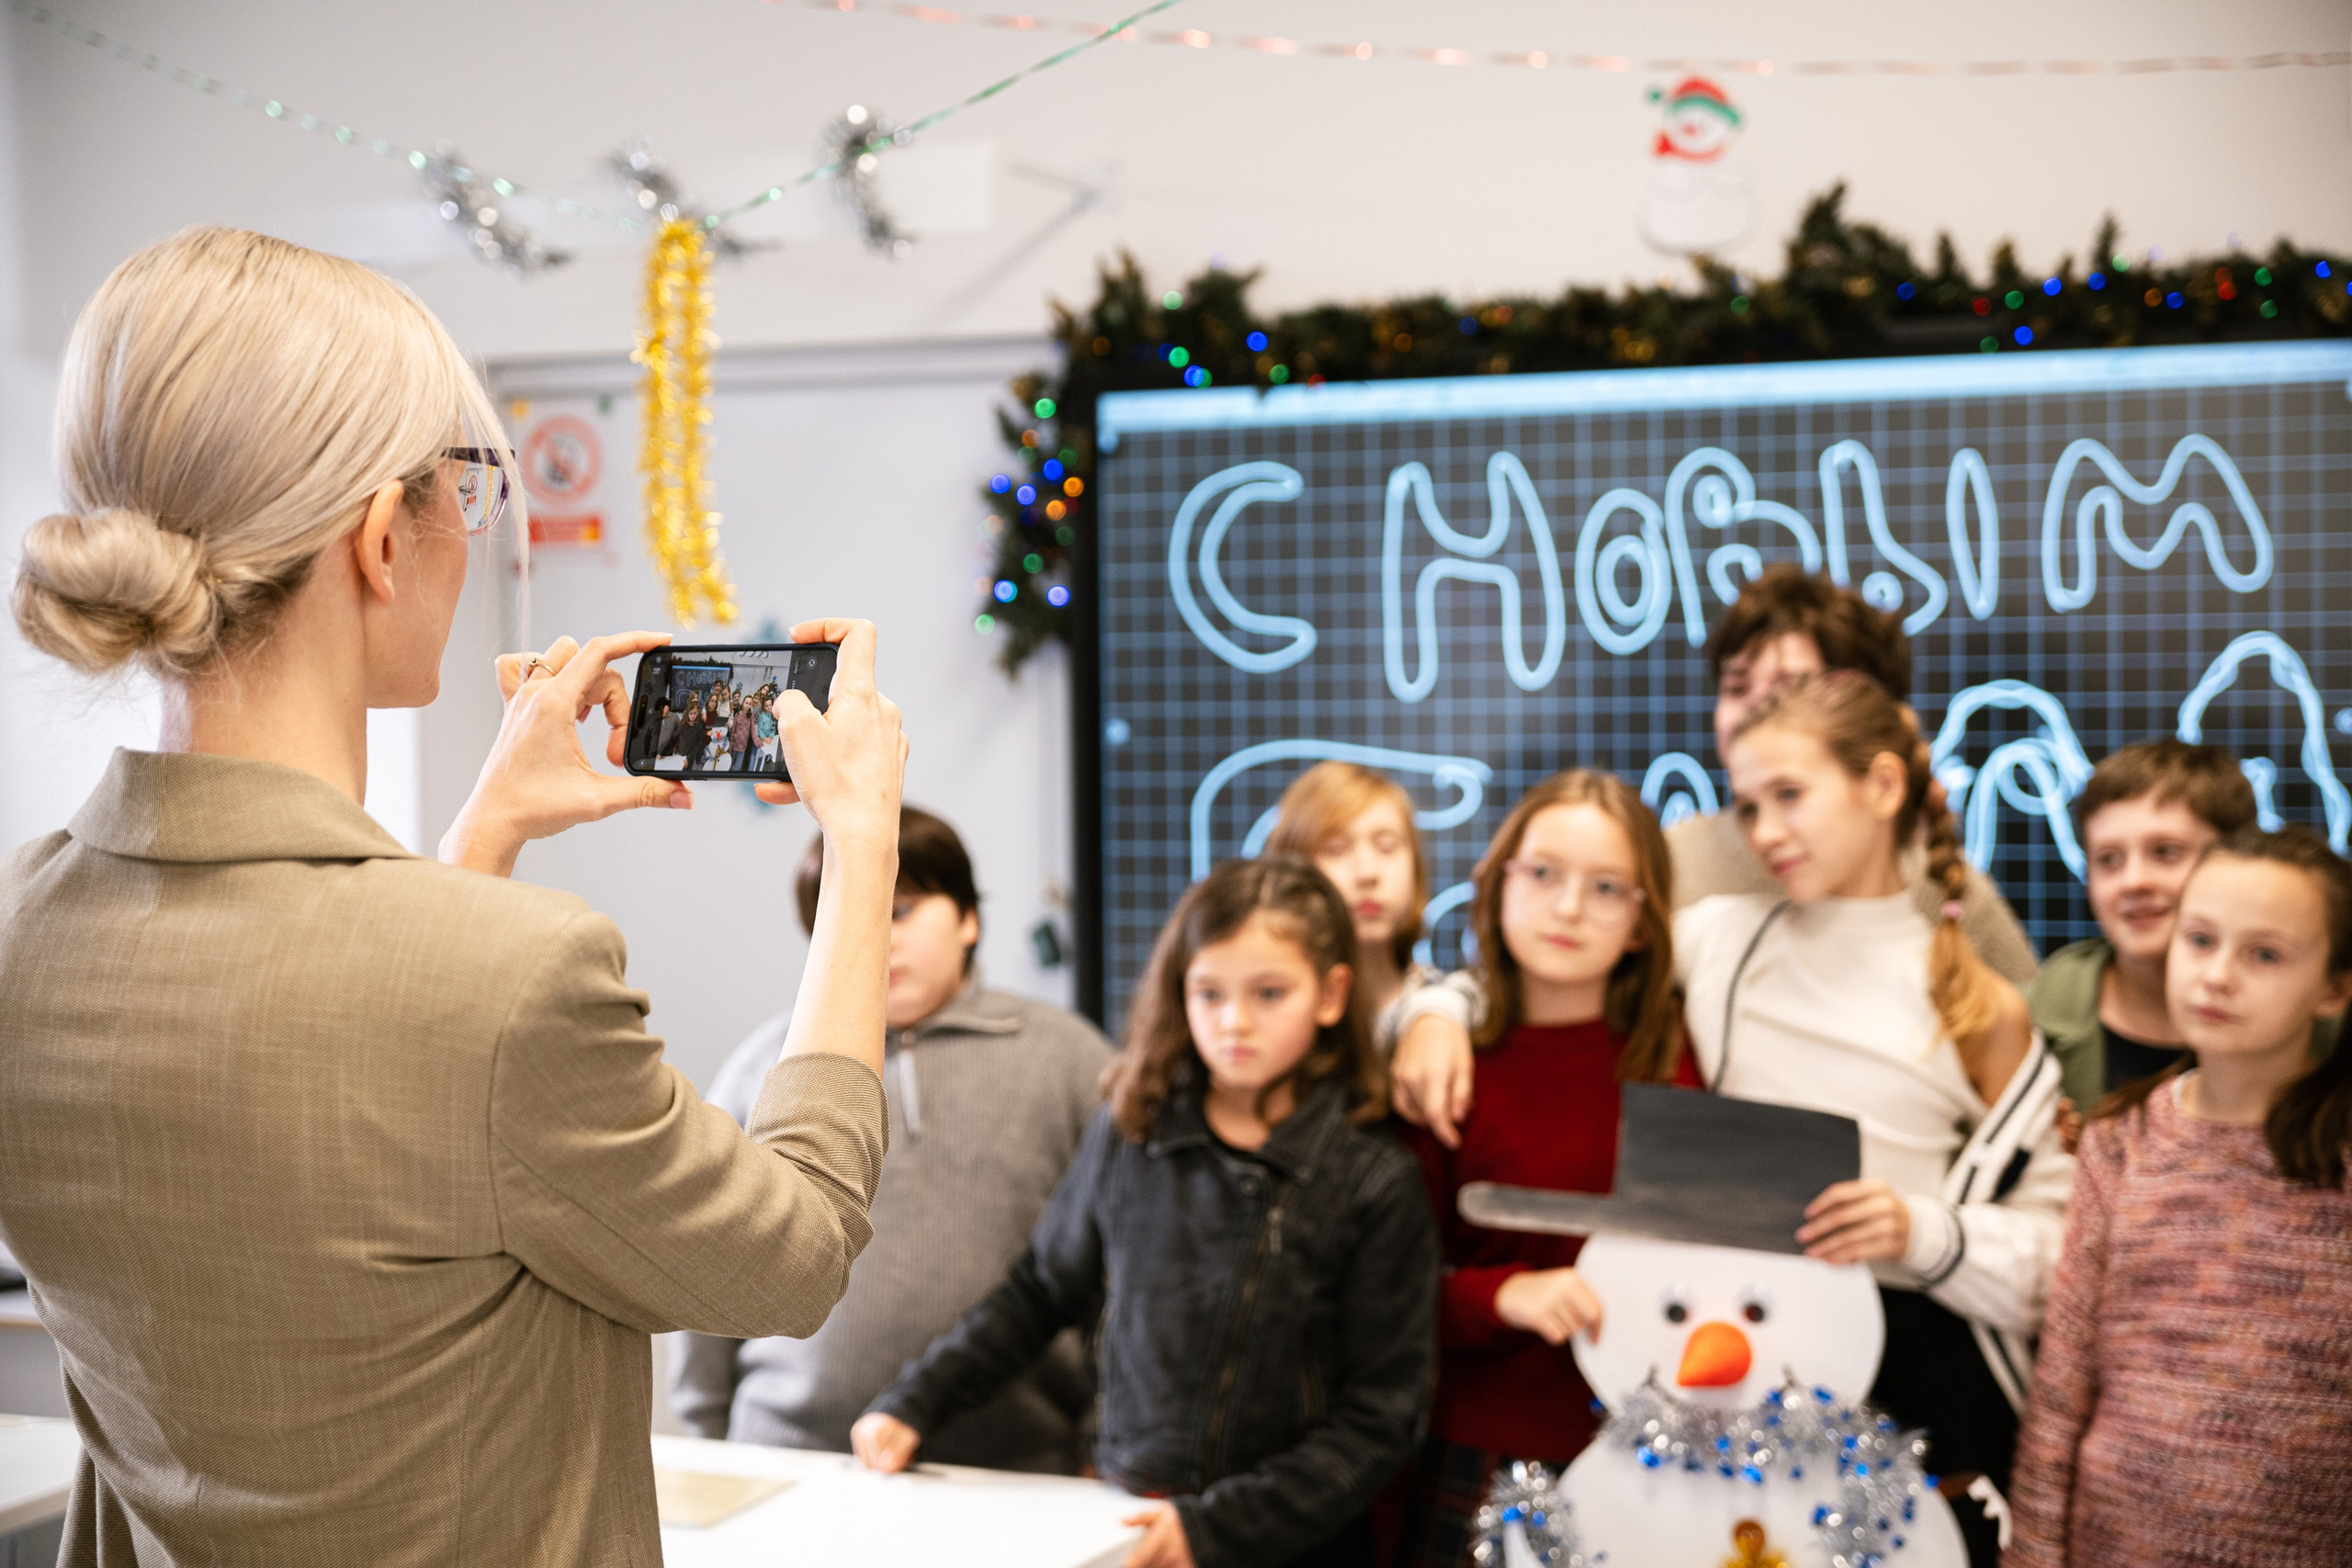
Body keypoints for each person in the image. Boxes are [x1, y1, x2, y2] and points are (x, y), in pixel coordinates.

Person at [0, 227, 906, 1567]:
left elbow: (338, 1114)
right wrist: (864, 837)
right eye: (468, 488)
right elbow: (794, 1250)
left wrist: (477, 838)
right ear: (382, 535)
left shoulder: (30, 923)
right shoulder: (508, 977)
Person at [851, 857, 1439, 1568]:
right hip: (1127, 1518)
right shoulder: (1132, 1129)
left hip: (1293, 1545)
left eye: (1270, 992)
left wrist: (1218, 1527)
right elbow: (1039, 1290)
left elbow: (1382, 1417)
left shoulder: (1375, 1178)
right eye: (1209, 992)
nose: (1234, 1021)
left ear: (1331, 993)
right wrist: (916, 1399)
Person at [1388, 566, 2037, 1144]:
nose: (1755, 708)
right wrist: (1438, 1010)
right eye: (1736, 685)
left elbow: (2025, 1049)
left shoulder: (1941, 890)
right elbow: (1551, 957)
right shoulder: (1685, 857)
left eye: (1787, 685)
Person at [1677, 671, 2071, 1565]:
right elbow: (1551, 964)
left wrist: (1917, 1228)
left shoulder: (1979, 1005)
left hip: (1909, 1399)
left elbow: (2061, 1258)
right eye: (1745, 806)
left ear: (1882, 787)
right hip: (1732, 1374)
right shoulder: (1713, 939)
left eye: (1790, 795)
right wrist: (1431, 1014)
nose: (1764, 831)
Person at [671, 807, 1112, 1472]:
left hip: (1018, 1467)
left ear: (968, 917)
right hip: (786, 1458)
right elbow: (707, 1258)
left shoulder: (1073, 1061)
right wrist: (706, 1445)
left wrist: (1104, 1437)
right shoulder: (764, 1068)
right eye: (845, 916)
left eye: (901, 910)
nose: (877, 936)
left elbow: (1127, 1263)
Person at [2007, 826, 2352, 1567]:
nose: (2219, 975)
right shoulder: (2120, 1139)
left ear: (2333, 987)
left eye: (2264, 954)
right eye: (2200, 940)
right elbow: (2064, 1379)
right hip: (2117, 1544)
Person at [1390, 771, 1696, 1568]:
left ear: (1640, 921)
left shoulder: (1674, 1062)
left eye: (1605, 888)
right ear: (1497, 887)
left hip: (1651, 1450)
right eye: (1544, 874)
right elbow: (1386, 1290)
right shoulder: (1445, 1067)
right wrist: (1503, 1294)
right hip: (1480, 1448)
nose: (1567, 908)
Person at [2027, 740, 2260, 1111]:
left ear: (2240, 860)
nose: (2133, 881)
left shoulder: (2310, 1019)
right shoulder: (2031, 1021)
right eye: (2108, 860)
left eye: (2166, 852)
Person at [1262, 760, 1447, 1052]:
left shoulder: (1457, 1011)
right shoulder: (1263, 1024)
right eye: (1335, 850)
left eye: (1387, 846)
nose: (1367, 873)